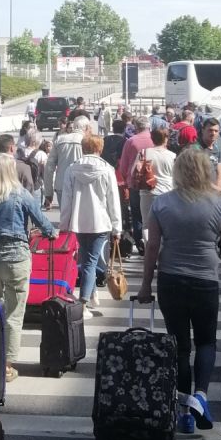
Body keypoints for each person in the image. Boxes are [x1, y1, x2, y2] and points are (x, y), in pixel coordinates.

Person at [135, 145, 221, 434]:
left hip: (171, 279)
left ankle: (185, 411)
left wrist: (146, 284)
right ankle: (202, 395)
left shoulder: (162, 204)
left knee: (180, 345)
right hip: (205, 279)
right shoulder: (219, 204)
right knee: (206, 342)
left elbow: (152, 247)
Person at [0, 153, 55, 383]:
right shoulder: (21, 195)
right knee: (14, 315)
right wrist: (50, 233)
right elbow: (43, 223)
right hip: (17, 260)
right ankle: (6, 366)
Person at [59, 131, 122, 313]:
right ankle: (84, 303)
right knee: (90, 262)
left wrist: (64, 224)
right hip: (100, 223)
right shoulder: (107, 170)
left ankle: (91, 294)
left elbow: (67, 200)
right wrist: (117, 227)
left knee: (87, 260)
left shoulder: (72, 169)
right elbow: (113, 201)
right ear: (99, 148)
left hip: (78, 221)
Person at [119, 123, 175, 253]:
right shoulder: (172, 156)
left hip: (147, 192)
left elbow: (133, 171)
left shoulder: (143, 153)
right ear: (166, 139)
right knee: (165, 224)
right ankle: (163, 251)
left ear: (152, 138)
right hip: (167, 193)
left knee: (147, 225)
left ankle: (150, 251)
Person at [43, 114, 90, 207]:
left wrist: (48, 192)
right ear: (86, 127)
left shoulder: (60, 139)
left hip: (61, 185)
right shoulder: (87, 141)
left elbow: (49, 167)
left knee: (65, 218)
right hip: (82, 186)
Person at [197, 117, 221, 188]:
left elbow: (219, 173)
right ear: (203, 130)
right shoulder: (196, 149)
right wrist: (214, 188)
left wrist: (218, 188)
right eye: (210, 130)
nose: (213, 133)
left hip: (213, 193)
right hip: (200, 191)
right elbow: (197, 175)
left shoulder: (217, 149)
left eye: (216, 131)